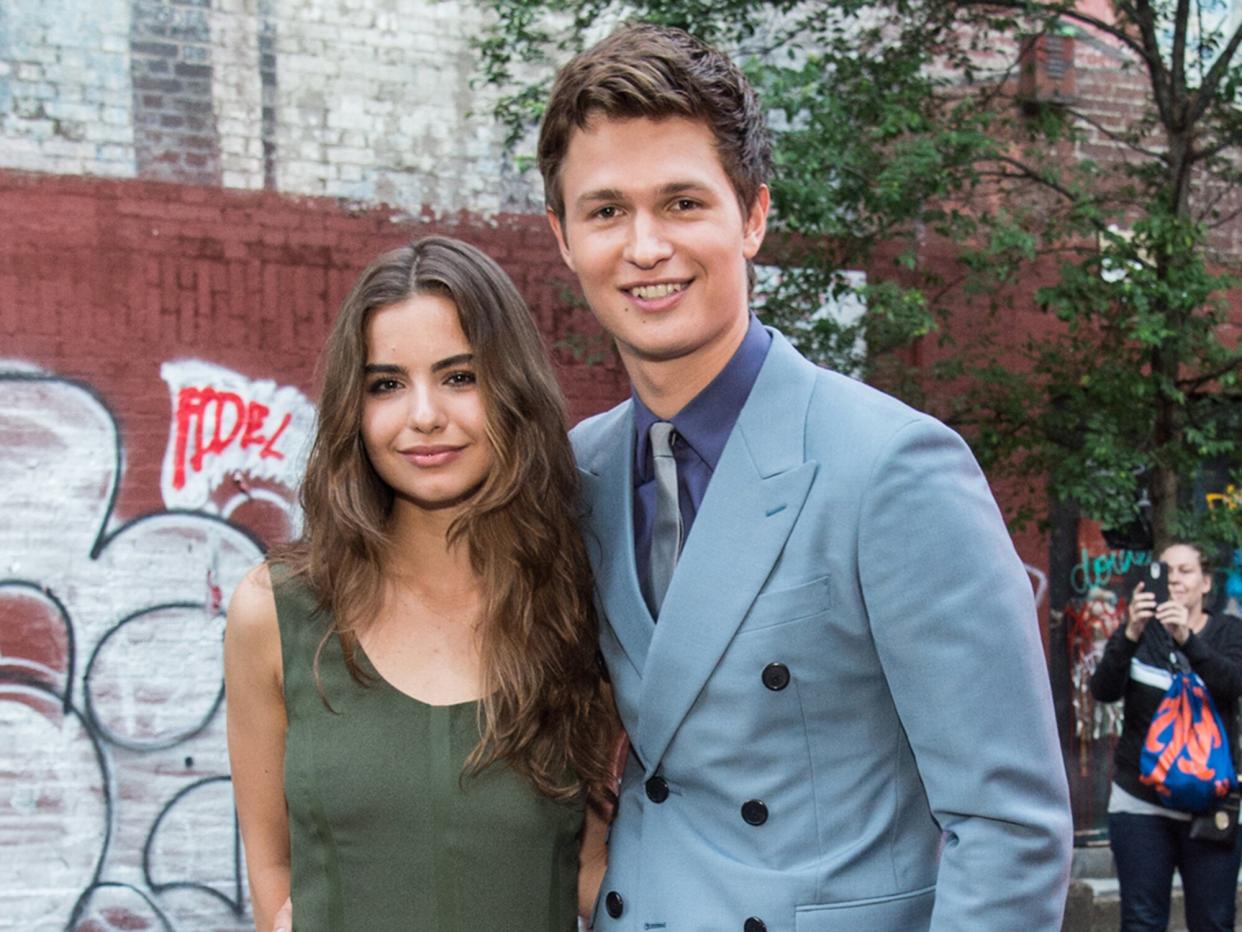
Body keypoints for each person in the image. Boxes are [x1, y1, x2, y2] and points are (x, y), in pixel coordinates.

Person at [538, 23, 1074, 931]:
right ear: (562, 238)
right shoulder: (578, 470)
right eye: (605, 211)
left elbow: (1008, 830)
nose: (644, 246)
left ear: (752, 216)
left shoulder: (893, 467)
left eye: (681, 203)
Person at [224, 235, 616, 931]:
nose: (425, 415)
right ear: (355, 407)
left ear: (512, 389)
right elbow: (271, 868)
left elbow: (594, 871)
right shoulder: (275, 611)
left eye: (461, 376)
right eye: (387, 384)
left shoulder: (581, 609)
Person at [1090, 542, 1242, 931]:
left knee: (1213, 922)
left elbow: (1232, 685)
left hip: (1212, 803)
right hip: (1140, 804)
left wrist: (1187, 639)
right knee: (1141, 922)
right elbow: (1104, 689)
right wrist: (1129, 633)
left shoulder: (1228, 631)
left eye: (1185, 570)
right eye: (1166, 570)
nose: (1175, 578)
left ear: (1205, 582)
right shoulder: (1138, 635)